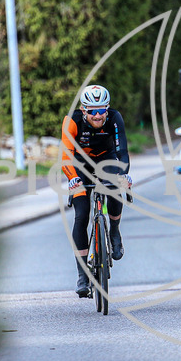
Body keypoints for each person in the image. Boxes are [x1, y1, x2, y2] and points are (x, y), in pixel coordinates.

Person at [61, 84, 132, 297]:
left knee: (114, 186)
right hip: (80, 163)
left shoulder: (114, 118)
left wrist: (123, 174)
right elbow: (66, 156)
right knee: (81, 215)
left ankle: (114, 231)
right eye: (92, 111)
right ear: (84, 110)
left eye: (102, 110)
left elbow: (122, 152)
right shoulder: (72, 121)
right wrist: (73, 178)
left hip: (106, 158)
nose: (98, 115)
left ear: (107, 108)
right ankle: (83, 275)